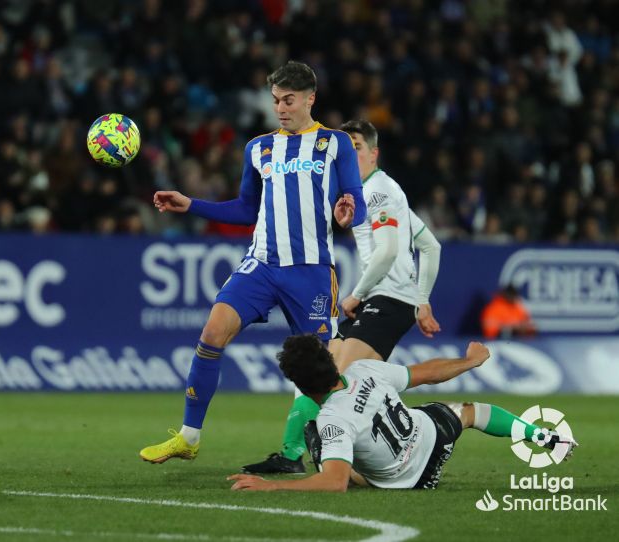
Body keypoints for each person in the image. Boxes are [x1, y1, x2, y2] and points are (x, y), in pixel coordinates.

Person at [140, 61, 367, 464]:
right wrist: (190, 204)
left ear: (310, 99)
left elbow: (355, 201)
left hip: (311, 271)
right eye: (276, 100)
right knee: (212, 332)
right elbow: (247, 209)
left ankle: (330, 447)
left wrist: (349, 211)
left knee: (318, 369)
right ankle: (189, 437)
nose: (280, 108)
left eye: (289, 100)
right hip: (261, 264)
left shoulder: (335, 143)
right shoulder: (259, 147)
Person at [243, 119, 443, 474]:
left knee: (334, 374)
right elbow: (430, 245)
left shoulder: (377, 191)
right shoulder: (378, 190)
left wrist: (356, 295)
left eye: (357, 147)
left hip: (386, 299)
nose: (349, 154)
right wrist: (422, 299)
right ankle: (294, 453)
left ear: (373, 153)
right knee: (318, 363)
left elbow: (385, 253)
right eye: (345, 147)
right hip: (390, 300)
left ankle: (386, 452)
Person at [228, 334, 577, 491]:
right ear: (331, 362)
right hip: (431, 435)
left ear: (302, 387)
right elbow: (427, 373)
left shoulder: (331, 421)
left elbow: (333, 484)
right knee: (473, 411)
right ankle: (546, 437)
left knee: (337, 464)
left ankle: (355, 471)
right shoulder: (365, 369)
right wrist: (471, 362)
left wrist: (271, 488)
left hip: (409, 480)